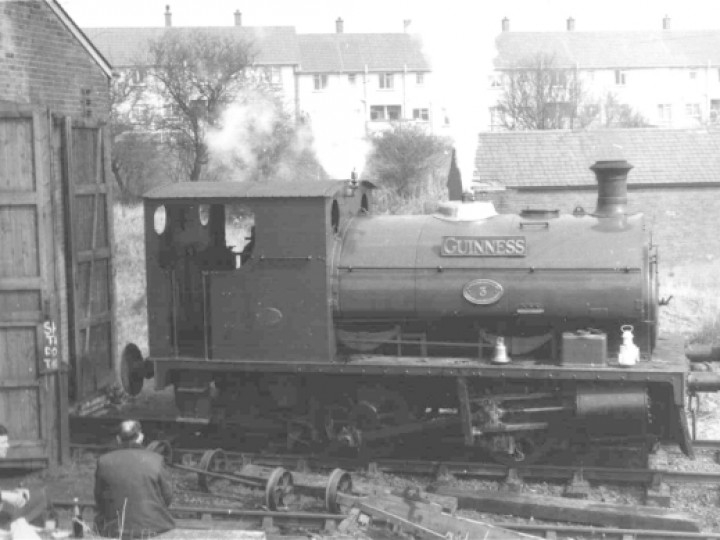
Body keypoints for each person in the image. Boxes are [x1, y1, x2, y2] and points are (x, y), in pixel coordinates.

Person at [94, 420, 175, 539]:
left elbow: (99, 498)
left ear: (118, 438)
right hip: (154, 527)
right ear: (141, 437)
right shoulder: (156, 460)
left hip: (113, 528)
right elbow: (167, 497)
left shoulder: (103, 461)